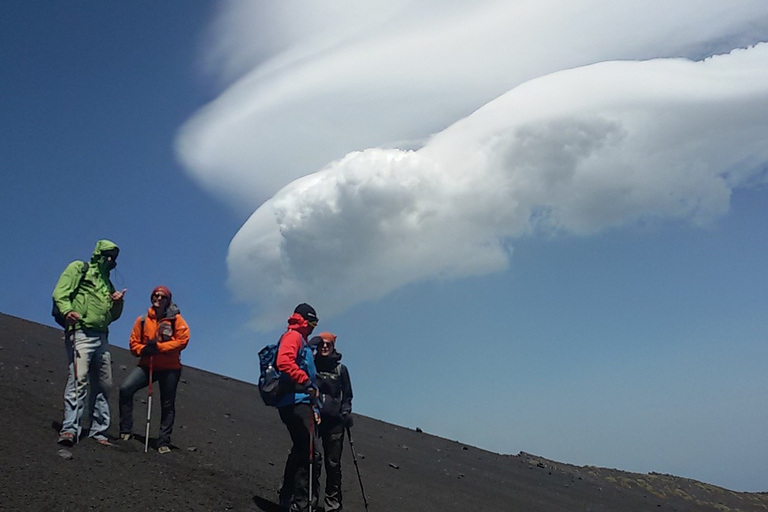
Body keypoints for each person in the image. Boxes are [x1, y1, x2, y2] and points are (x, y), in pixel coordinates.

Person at [53, 239, 126, 446]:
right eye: (108, 254)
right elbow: (60, 291)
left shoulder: (107, 282)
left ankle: (99, 430)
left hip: (101, 336)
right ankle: (70, 428)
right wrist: (67, 310)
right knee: (79, 379)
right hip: (81, 332)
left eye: (114, 256)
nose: (111, 259)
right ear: (99, 253)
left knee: (104, 384)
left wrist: (118, 303)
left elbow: (112, 316)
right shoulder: (79, 268)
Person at [118, 286, 189, 454]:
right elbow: (133, 343)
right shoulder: (142, 320)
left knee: (167, 403)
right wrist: (143, 350)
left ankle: (163, 441)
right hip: (147, 364)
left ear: (168, 300)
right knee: (126, 389)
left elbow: (183, 340)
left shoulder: (176, 320)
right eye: (155, 295)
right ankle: (125, 430)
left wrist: (159, 347)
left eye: (162, 296)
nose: (158, 298)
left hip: (170, 368)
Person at [276, 303, 321, 512]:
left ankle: (288, 496)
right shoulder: (294, 337)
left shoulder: (299, 339)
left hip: (298, 401)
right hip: (295, 401)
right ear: (303, 320)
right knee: (307, 452)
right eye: (312, 322)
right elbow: (284, 362)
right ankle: (299, 504)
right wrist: (306, 382)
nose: (313, 326)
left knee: (302, 449)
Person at [312, 332, 354, 512]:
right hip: (313, 419)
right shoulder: (311, 366)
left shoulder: (340, 370)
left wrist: (345, 412)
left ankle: (332, 505)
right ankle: (309, 501)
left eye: (328, 344)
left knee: (333, 464)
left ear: (333, 346)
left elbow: (347, 395)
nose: (324, 347)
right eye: (321, 343)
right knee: (312, 460)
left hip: (335, 422)